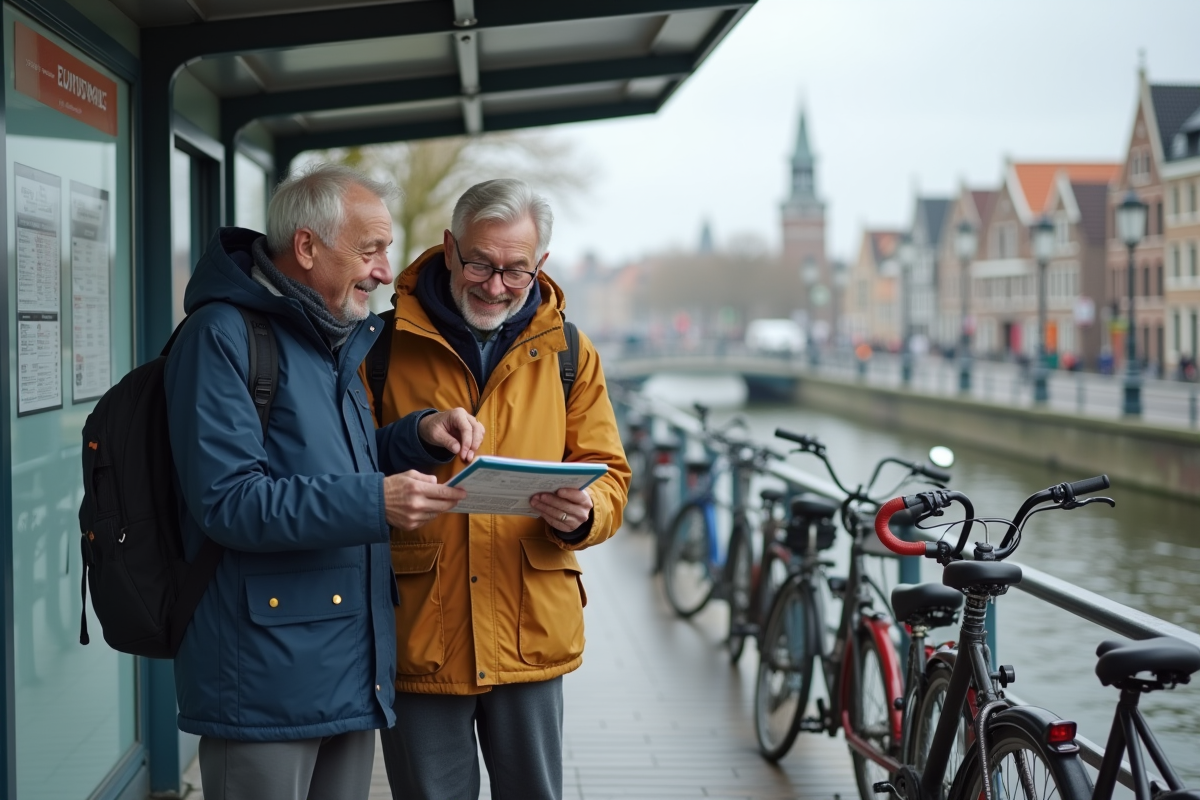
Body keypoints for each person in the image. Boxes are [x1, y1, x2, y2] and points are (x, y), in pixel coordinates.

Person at [164, 163, 484, 800]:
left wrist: (416, 435)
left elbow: (332, 464)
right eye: (370, 250)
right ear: (306, 247)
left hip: (345, 668)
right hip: (263, 680)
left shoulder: (328, 333)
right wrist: (378, 500)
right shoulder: (221, 336)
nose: (386, 271)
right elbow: (230, 503)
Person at [365, 178, 630, 800]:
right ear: (450, 248)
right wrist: (414, 435)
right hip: (419, 628)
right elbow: (337, 464)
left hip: (529, 624)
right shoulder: (378, 346)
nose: (495, 284)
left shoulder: (571, 353)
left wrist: (586, 515)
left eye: (515, 269)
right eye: (480, 263)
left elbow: (611, 474)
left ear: (539, 264)